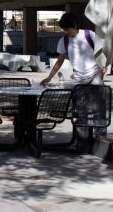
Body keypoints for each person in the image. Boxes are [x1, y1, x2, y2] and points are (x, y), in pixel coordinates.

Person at [40, 12, 105, 149]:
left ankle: (100, 140)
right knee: (79, 111)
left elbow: (102, 54)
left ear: (74, 26)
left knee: (98, 109)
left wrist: (101, 73)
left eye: (67, 29)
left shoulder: (89, 35)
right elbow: (59, 61)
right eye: (64, 30)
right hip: (78, 78)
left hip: (94, 75)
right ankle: (81, 140)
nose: (66, 32)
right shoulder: (64, 41)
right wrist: (49, 76)